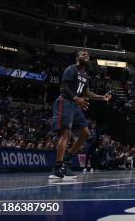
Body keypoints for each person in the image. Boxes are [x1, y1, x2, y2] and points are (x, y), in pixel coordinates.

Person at [50, 50, 111, 180]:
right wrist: (76, 98)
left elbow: (87, 92)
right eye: (83, 54)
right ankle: (58, 167)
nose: (86, 56)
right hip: (65, 101)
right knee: (65, 133)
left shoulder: (85, 75)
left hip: (75, 106)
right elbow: (63, 87)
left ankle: (67, 159)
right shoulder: (71, 69)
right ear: (77, 57)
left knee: (86, 133)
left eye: (87, 55)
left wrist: (101, 97)